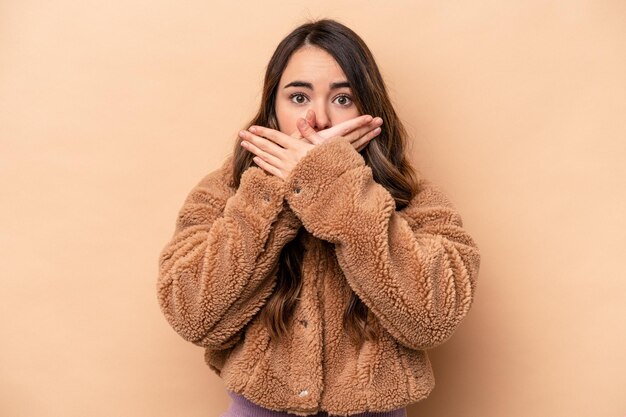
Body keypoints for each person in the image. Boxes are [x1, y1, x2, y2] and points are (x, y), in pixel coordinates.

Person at [156, 18, 481, 417]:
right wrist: (274, 190)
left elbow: (432, 320)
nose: (320, 119)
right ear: (272, 110)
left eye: (343, 99)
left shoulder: (415, 199)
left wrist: (333, 186)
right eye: (298, 98)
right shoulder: (226, 192)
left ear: (369, 110)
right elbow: (193, 315)